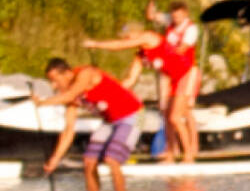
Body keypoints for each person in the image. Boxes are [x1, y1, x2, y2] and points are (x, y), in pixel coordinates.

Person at [32, 58, 144, 191]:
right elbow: (68, 130)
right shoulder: (69, 95)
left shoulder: (86, 73)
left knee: (111, 159)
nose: (54, 85)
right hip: (110, 121)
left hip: (134, 115)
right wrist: (54, 159)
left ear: (67, 74)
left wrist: (42, 103)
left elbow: (71, 94)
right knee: (88, 162)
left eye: (55, 80)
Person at [83, 22, 198, 164]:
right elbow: (130, 80)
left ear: (136, 33)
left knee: (175, 117)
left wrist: (96, 44)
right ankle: (170, 153)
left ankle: (189, 156)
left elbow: (120, 46)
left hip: (187, 74)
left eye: (127, 37)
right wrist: (109, 93)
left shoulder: (149, 37)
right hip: (173, 80)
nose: (127, 40)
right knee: (167, 117)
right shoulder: (140, 55)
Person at [144, 0, 202, 163]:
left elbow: (182, 49)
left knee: (183, 112)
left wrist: (158, 55)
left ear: (185, 15)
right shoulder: (169, 20)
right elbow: (150, 16)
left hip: (186, 72)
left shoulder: (191, 29)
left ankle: (192, 148)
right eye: (174, 17)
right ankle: (172, 149)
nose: (175, 20)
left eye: (179, 17)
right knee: (166, 111)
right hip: (169, 72)